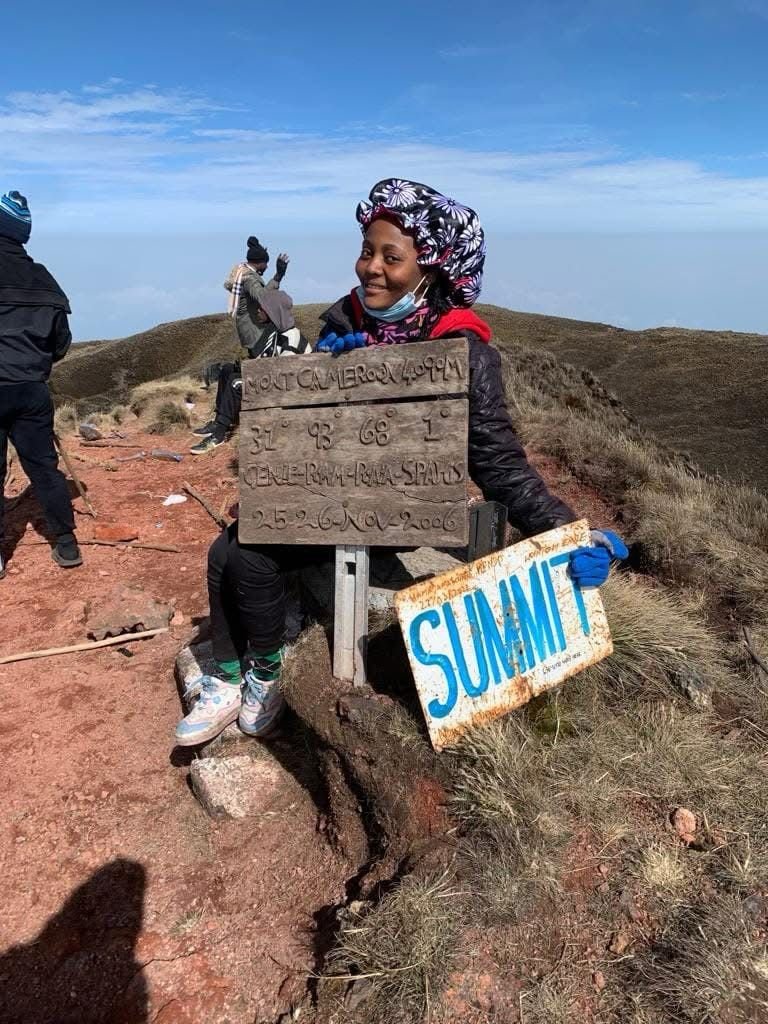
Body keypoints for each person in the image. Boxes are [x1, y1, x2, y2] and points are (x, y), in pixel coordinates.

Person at [174, 178, 628, 746]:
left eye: (393, 256)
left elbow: (499, 465)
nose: (371, 268)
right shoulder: (344, 322)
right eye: (368, 251)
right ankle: (238, 672)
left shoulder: (465, 351)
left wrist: (573, 534)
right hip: (329, 489)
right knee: (228, 554)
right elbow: (304, 431)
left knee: (248, 558)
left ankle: (264, 672)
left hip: (397, 508)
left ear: (432, 268)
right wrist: (321, 372)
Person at [0, 191, 82, 579]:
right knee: (44, 468)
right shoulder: (45, 279)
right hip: (31, 389)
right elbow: (61, 343)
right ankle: (66, 543)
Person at [190, 288, 309, 453]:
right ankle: (220, 421)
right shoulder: (275, 332)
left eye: (262, 309)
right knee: (228, 370)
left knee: (236, 383)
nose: (258, 311)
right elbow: (264, 362)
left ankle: (219, 435)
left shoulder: (292, 340)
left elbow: (283, 377)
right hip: (271, 380)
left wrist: (251, 375)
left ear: (273, 311)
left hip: (285, 393)